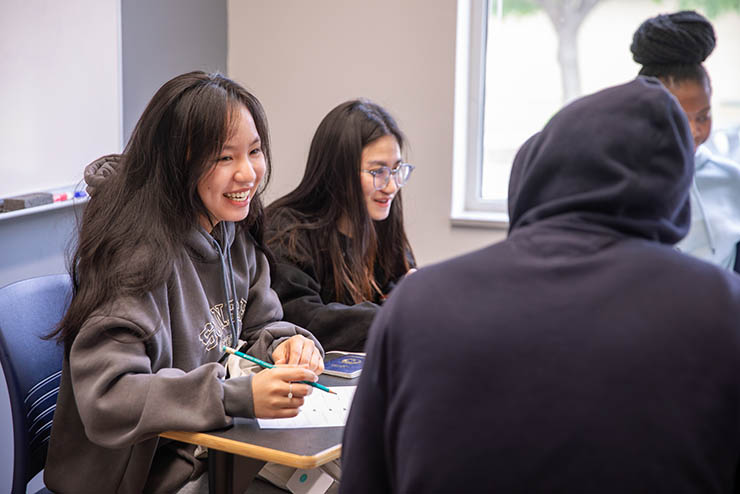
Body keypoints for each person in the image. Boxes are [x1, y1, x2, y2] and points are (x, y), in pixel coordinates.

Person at [340, 77, 740, 493]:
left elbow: (364, 482)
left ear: (542, 167)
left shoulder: (416, 304)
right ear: (676, 189)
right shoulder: (725, 313)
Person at [44, 71, 324, 494]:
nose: (248, 173)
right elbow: (109, 397)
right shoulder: (135, 256)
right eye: (224, 158)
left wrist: (287, 345)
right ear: (178, 163)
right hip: (141, 477)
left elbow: (258, 328)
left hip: (209, 453)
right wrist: (235, 396)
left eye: (254, 151)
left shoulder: (232, 231)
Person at [264, 99, 416, 352]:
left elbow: (397, 290)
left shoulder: (383, 224)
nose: (391, 186)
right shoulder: (286, 232)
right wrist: (396, 311)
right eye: (378, 172)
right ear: (338, 171)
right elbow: (304, 320)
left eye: (397, 170)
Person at [631, 10, 740, 272]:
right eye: (679, 117)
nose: (693, 131)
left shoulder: (732, 179)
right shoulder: (623, 183)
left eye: (703, 117)